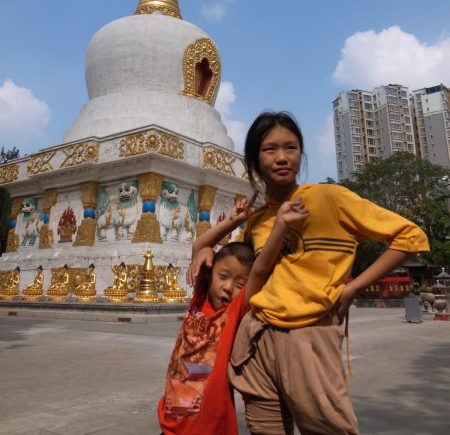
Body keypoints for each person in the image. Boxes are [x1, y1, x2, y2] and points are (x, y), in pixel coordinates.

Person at [191, 111, 430, 435]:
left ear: (301, 154)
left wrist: (352, 288)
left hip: (309, 337)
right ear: (253, 161)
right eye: (269, 149)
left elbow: (410, 237)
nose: (281, 157)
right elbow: (243, 272)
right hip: (254, 341)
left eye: (290, 148)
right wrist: (208, 247)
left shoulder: (331, 198)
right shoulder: (257, 221)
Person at [158, 192, 309, 435]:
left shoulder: (235, 310)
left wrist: (280, 225)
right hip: (169, 423)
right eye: (223, 277)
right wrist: (233, 221)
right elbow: (198, 246)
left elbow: (260, 269)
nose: (229, 287)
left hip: (210, 427)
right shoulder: (199, 300)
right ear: (210, 276)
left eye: (240, 284)